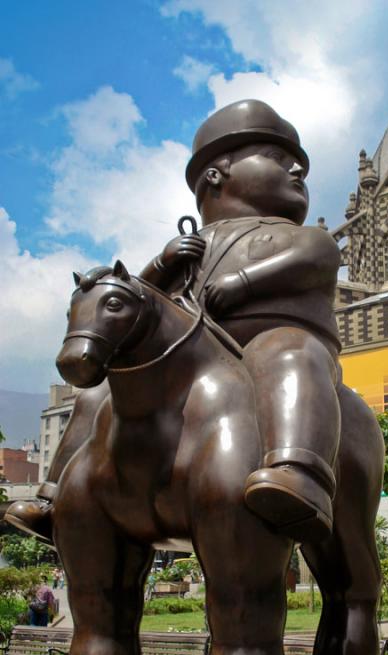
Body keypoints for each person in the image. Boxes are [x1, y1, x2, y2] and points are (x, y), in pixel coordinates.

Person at [7, 100, 341, 545]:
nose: (298, 171)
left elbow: (317, 258)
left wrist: (243, 282)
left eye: (298, 165)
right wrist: (161, 266)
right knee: (97, 392)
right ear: (216, 175)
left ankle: (296, 472)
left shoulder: (301, 236)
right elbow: (135, 300)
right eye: (280, 160)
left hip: (264, 342)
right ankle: (53, 495)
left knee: (288, 355)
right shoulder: (186, 247)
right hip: (195, 359)